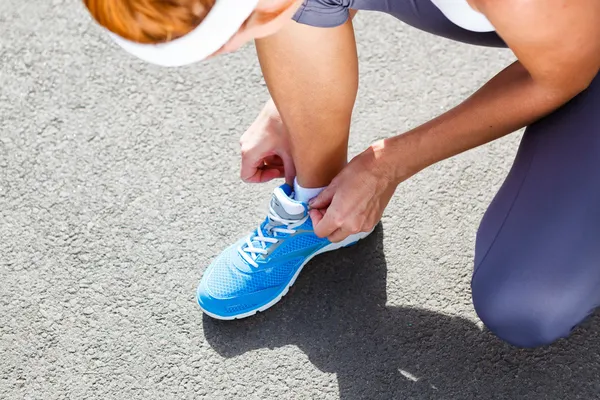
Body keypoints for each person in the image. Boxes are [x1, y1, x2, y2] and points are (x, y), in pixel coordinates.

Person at [84, 0, 600, 348]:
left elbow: (563, 73)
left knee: (527, 301)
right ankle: (315, 202)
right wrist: (293, 105)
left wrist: (386, 165)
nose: (226, 50)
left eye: (232, 33)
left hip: (574, 48)